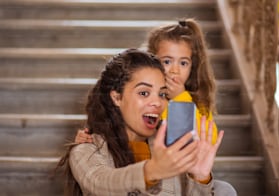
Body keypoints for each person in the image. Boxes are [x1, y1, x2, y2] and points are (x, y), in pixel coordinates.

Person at [57, 49, 236, 195]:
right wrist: (152, 171)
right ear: (117, 97)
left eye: (163, 94)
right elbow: (102, 183)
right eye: (144, 93)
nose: (157, 103)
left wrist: (200, 178)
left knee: (223, 190)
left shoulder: (167, 146)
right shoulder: (86, 148)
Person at [76, 18, 218, 145]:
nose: (175, 70)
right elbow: (111, 119)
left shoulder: (197, 103)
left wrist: (180, 99)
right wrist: (89, 137)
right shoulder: (136, 93)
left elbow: (207, 141)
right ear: (152, 60)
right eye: (167, 61)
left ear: (192, 66)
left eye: (183, 63)